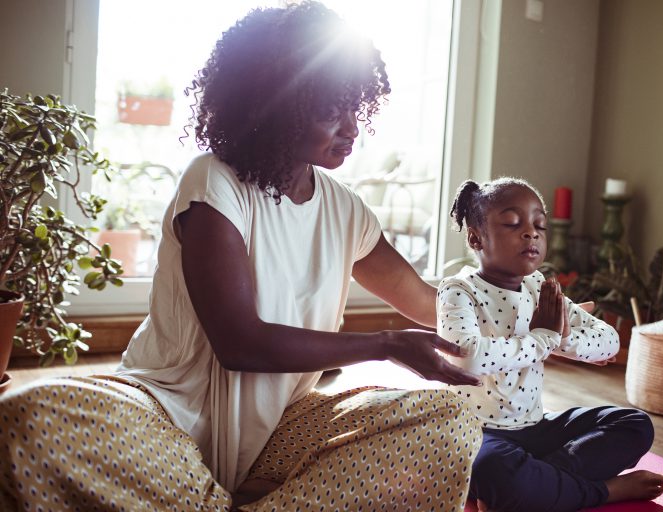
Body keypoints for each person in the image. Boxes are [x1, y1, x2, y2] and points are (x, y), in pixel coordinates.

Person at [0, 3, 484, 511]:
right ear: (277, 104)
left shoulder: (345, 209)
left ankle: (208, 501)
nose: (351, 128)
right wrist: (384, 343)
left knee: (449, 424)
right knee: (24, 419)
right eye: (329, 110)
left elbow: (433, 306)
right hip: (165, 415)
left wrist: (543, 318)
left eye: (354, 107)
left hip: (281, 431)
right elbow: (239, 343)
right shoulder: (214, 180)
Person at [438, 177, 663, 512]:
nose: (531, 233)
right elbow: (466, 359)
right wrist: (544, 338)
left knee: (634, 424)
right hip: (480, 433)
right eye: (512, 223)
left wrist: (561, 339)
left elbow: (609, 340)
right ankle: (603, 491)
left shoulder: (538, 287)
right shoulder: (458, 290)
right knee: (493, 467)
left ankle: (534, 485)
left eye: (540, 226)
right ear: (476, 237)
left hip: (536, 428)